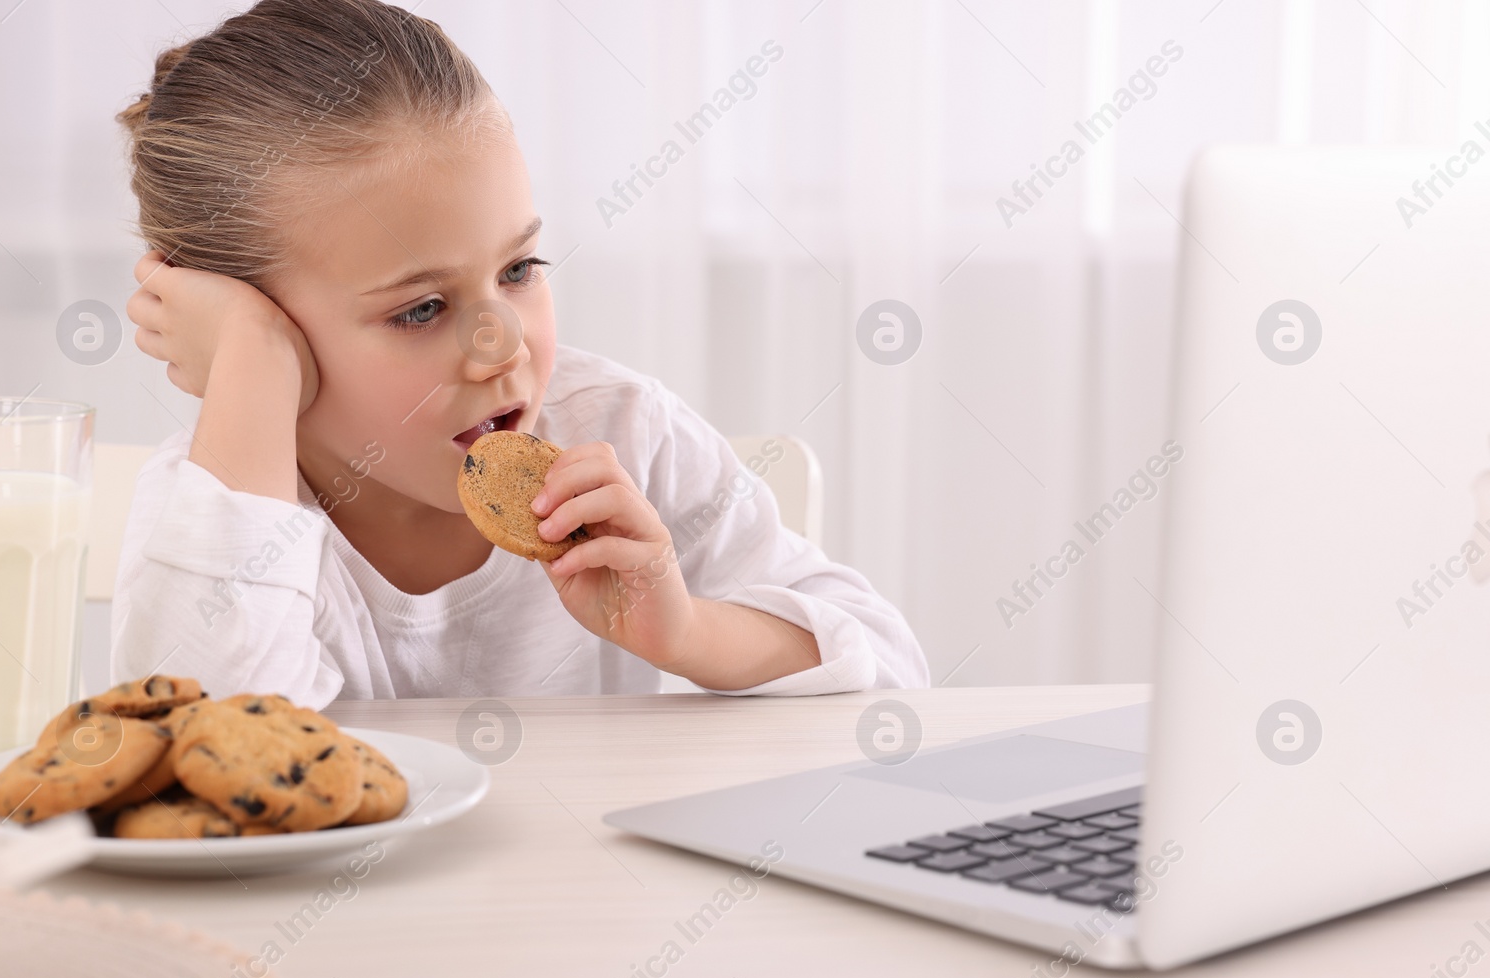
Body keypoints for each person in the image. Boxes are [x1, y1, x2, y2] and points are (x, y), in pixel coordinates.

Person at [111, 0, 928, 703]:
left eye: (519, 269)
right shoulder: (215, 504)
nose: (501, 345)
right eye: (422, 309)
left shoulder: (626, 434)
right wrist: (248, 364)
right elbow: (204, 761)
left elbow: (894, 671)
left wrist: (686, 631)